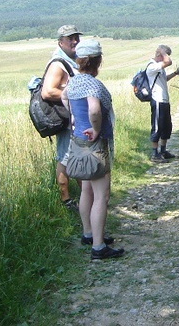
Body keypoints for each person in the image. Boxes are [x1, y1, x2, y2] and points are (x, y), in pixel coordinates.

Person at [61, 39, 124, 260]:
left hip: (79, 141)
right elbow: (95, 110)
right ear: (97, 60)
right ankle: (98, 246)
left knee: (86, 190)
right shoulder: (92, 84)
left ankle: (88, 233)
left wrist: (78, 121)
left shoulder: (73, 82)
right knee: (101, 195)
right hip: (95, 145)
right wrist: (96, 129)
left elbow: (64, 99)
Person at [41, 24, 81, 210]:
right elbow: (48, 92)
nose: (75, 41)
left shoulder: (68, 61)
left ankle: (82, 197)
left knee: (73, 157)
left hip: (72, 120)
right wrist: (75, 96)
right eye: (70, 39)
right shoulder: (58, 64)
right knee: (64, 158)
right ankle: (66, 201)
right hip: (66, 121)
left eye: (76, 38)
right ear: (60, 42)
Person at [146, 45, 179, 163]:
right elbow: (168, 61)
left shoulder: (158, 68)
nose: (165, 58)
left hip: (164, 100)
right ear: (160, 55)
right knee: (157, 127)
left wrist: (175, 73)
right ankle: (154, 154)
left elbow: (164, 79)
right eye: (164, 55)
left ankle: (163, 151)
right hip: (157, 100)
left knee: (166, 127)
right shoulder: (152, 66)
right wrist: (162, 51)